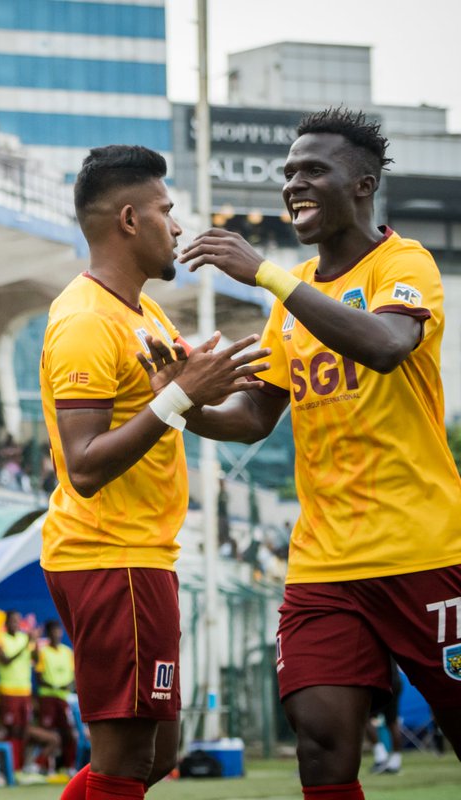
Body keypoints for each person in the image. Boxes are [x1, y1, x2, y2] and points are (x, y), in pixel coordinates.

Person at [177, 107, 461, 798]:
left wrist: (268, 276)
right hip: (324, 565)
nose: (293, 185)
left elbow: (389, 347)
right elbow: (250, 419)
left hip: (422, 552)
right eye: (287, 173)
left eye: (313, 171)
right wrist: (180, 398)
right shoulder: (294, 300)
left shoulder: (405, 263)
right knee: (320, 742)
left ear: (362, 185)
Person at [39, 145, 268, 800]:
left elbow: (192, 411)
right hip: (113, 555)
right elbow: (83, 467)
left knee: (158, 751)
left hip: (139, 556)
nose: (179, 225)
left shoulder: (145, 315)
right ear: (132, 219)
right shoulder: (86, 321)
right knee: (126, 757)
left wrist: (228, 389)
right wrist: (180, 395)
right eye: (169, 211)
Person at [0, 610, 35, 770]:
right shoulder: (0, 639)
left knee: (23, 729)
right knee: (10, 729)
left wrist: (35, 644)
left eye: (18, 621)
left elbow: (35, 659)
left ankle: (20, 766)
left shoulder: (25, 638)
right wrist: (26, 645)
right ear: (6, 623)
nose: (15, 624)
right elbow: (5, 661)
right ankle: (9, 767)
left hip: (25, 691)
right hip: (8, 690)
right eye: (12, 621)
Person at [36, 621, 77, 775]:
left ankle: (69, 767)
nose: (57, 634)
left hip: (65, 699)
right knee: (48, 733)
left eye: (58, 631)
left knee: (68, 732)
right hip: (48, 698)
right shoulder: (43, 652)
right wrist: (55, 687)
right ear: (48, 633)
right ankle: (45, 768)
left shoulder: (67, 652)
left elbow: (73, 676)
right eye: (53, 631)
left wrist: (69, 687)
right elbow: (39, 677)